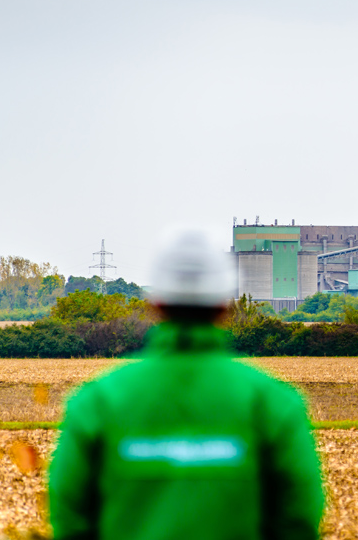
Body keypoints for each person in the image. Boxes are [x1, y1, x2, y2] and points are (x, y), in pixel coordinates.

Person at [49, 229, 325, 540]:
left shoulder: (97, 403)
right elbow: (299, 520)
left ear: (156, 302)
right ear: (224, 304)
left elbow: (69, 518)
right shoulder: (273, 404)